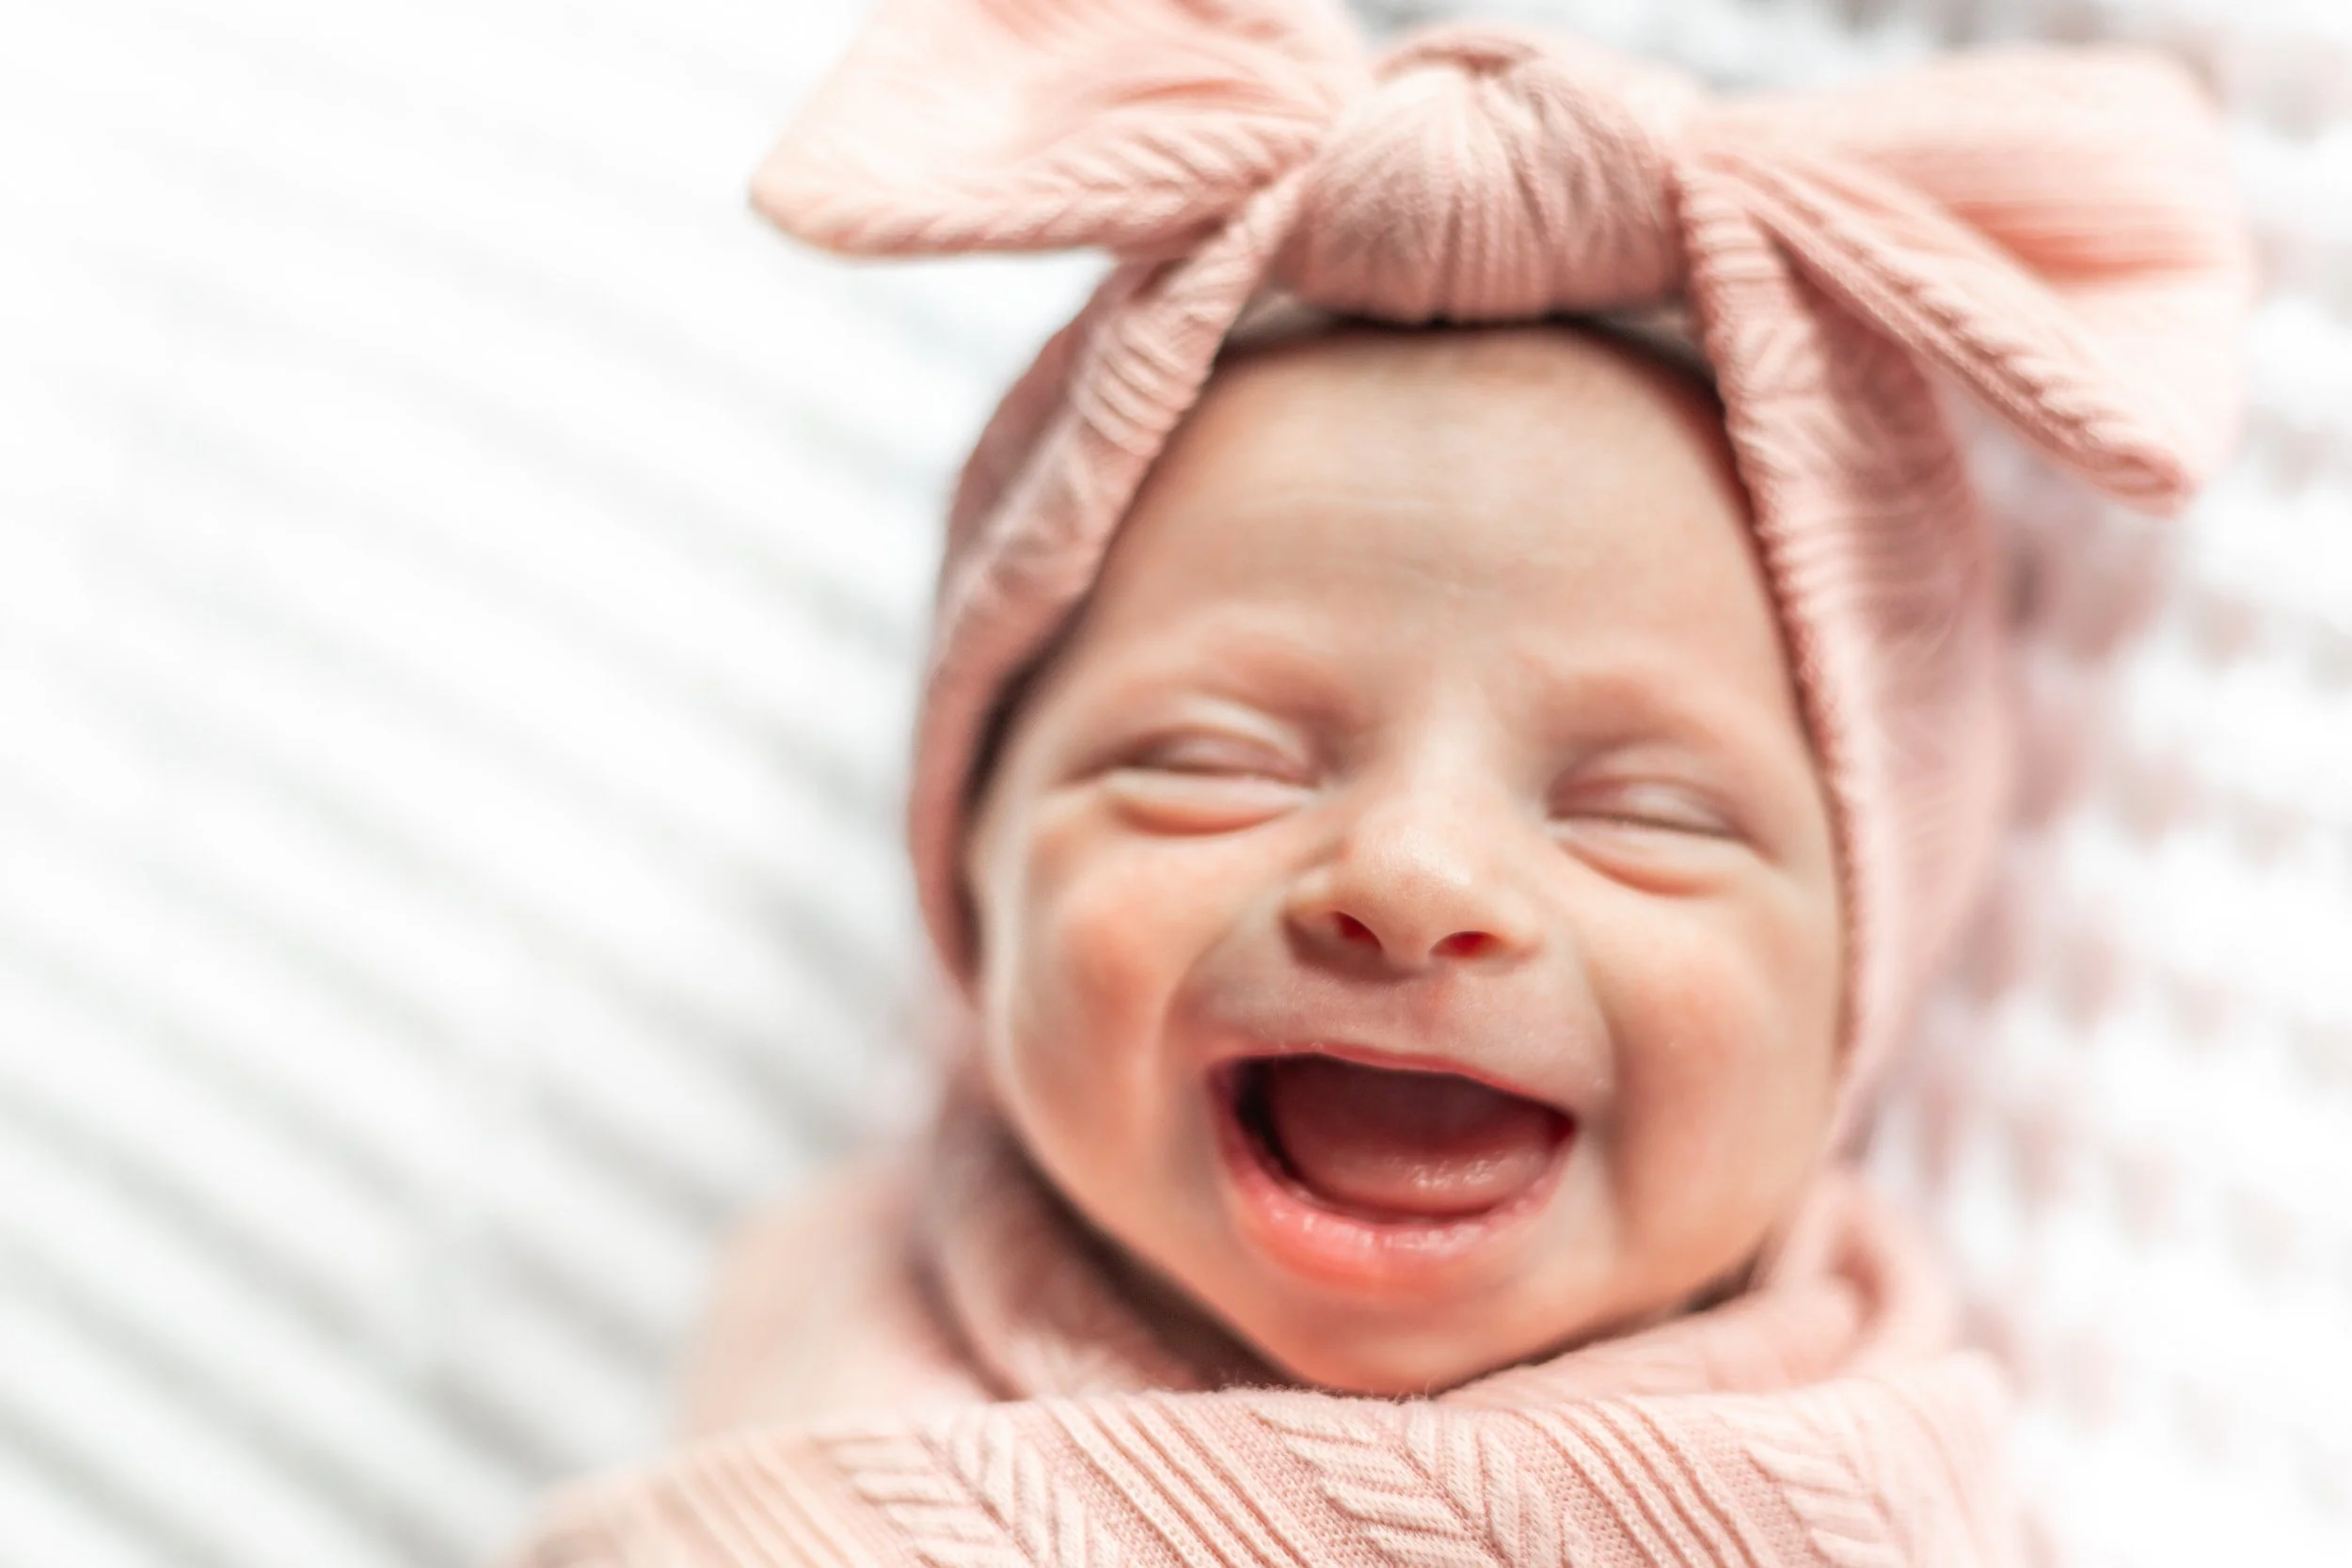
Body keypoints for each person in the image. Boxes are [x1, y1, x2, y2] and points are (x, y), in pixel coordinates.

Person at [509, 2, 2249, 1561]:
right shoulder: (819, 1339)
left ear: (1865, 977)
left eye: (1640, 809)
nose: (1414, 873)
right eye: (1214, 764)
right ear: (969, 871)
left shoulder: (1888, 1492)